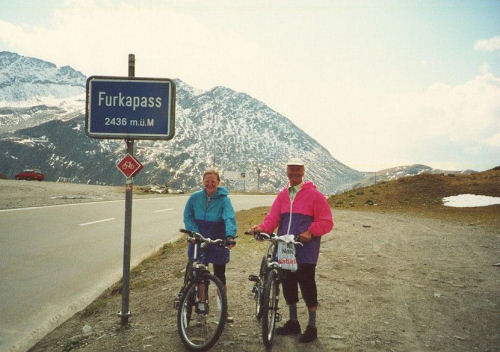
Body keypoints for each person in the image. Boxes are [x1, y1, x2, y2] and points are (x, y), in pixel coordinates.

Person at [248, 158, 333, 343]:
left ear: (303, 172)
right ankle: (293, 322)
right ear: (287, 172)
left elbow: (326, 221)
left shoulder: (315, 196)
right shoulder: (283, 195)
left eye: (297, 170)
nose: (294, 173)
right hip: (285, 248)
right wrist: (262, 228)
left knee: (307, 284)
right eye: (291, 170)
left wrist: (310, 232)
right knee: (288, 284)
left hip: (306, 250)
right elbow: (272, 219)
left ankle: (312, 326)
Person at [183, 168, 237, 322]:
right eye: (207, 181)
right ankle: (202, 307)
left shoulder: (224, 200)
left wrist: (229, 235)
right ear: (203, 182)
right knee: (200, 274)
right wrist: (193, 232)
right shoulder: (194, 198)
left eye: (213, 181)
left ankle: (223, 311)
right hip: (198, 238)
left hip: (217, 239)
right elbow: (188, 216)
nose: (210, 184)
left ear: (218, 182)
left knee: (220, 276)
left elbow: (229, 217)